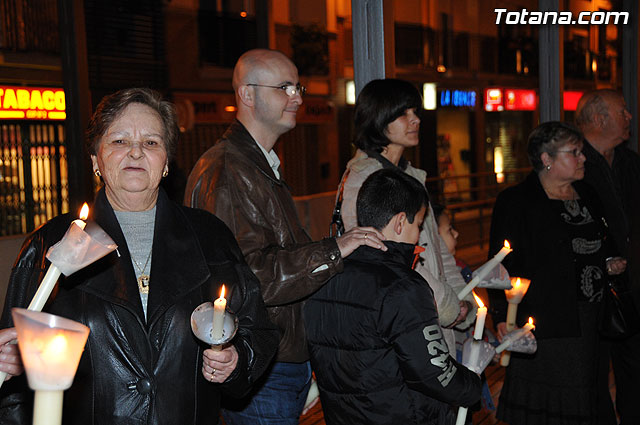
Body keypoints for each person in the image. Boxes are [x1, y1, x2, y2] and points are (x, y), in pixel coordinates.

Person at [0, 88, 279, 425]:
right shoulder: (50, 243)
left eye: (151, 142)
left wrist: (237, 359)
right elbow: (12, 370)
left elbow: (257, 331)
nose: (135, 152)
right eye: (119, 141)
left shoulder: (210, 237)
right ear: (95, 159)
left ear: (165, 163)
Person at [183, 49, 386, 424]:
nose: (298, 97)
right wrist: (333, 250)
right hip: (259, 362)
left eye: (298, 86)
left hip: (274, 359)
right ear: (247, 94)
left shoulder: (257, 164)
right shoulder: (230, 168)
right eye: (284, 88)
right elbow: (249, 276)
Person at [304, 168, 481, 425]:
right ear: (400, 222)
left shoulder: (325, 276)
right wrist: (472, 386)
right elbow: (433, 371)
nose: (419, 234)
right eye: (418, 225)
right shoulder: (404, 286)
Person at [487, 121, 625, 425]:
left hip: (590, 319)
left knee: (586, 396)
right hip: (546, 322)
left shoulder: (587, 192)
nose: (583, 158)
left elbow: (604, 238)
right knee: (551, 405)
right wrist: (500, 316)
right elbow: (498, 266)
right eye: (574, 152)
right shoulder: (517, 201)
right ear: (546, 159)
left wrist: (610, 260)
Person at [335, 78, 475, 355]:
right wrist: (449, 306)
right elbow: (388, 256)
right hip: (398, 326)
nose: (415, 121)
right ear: (378, 118)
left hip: (425, 314)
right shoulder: (363, 179)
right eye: (403, 114)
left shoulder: (410, 175)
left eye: (415, 112)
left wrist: (462, 299)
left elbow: (437, 249)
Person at [575, 89, 640, 425]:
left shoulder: (630, 164)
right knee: (593, 379)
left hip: (631, 290)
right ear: (599, 119)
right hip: (590, 294)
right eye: (623, 111)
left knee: (635, 376)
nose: (630, 117)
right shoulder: (571, 165)